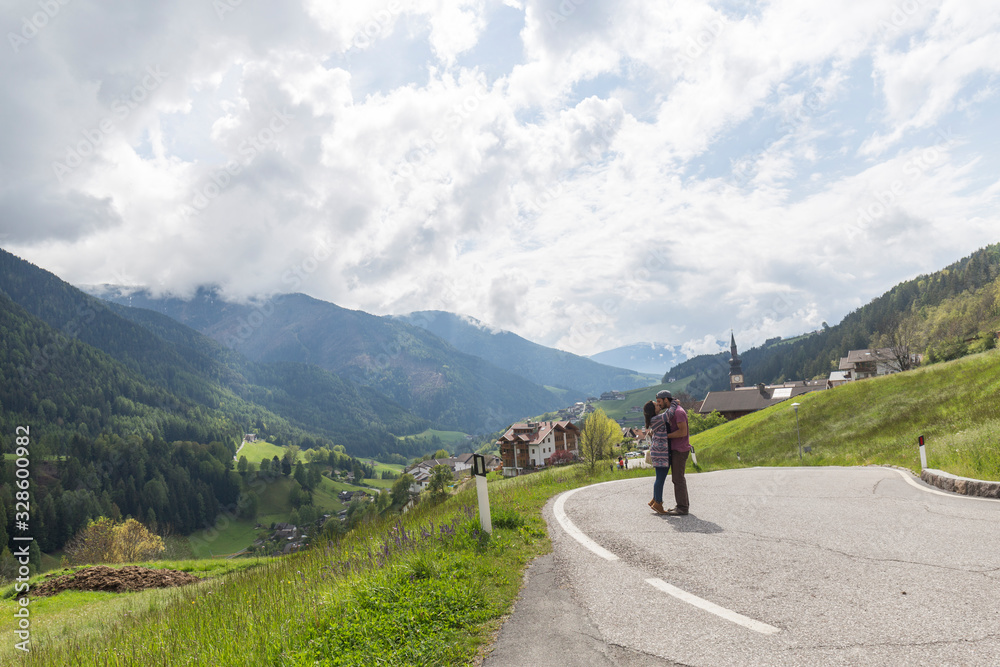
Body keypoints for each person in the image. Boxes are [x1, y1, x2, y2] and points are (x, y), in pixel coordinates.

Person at [658, 390, 690, 515]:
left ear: (666, 399)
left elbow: (682, 432)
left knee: (678, 479)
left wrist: (665, 436)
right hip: (676, 449)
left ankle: (682, 508)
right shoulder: (673, 410)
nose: (659, 404)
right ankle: (683, 505)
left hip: (680, 449)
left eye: (660, 401)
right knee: (678, 479)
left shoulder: (679, 412)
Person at [645, 395, 674, 514]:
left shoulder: (655, 418)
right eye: (656, 405)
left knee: (659, 478)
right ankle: (658, 503)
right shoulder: (656, 419)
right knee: (660, 479)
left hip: (658, 451)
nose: (659, 405)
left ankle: (655, 500)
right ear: (653, 409)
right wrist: (674, 403)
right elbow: (669, 414)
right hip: (661, 452)